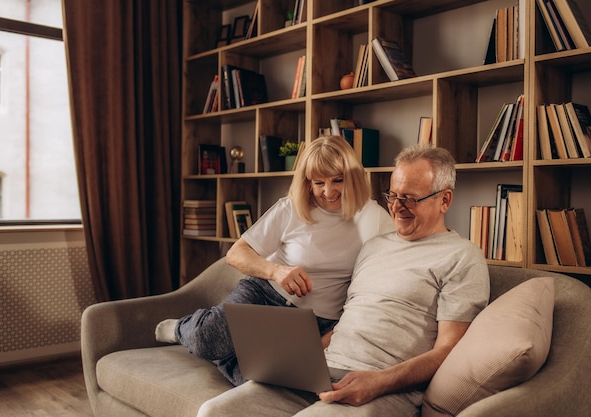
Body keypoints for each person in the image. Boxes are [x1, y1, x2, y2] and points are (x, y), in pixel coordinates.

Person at [196, 144, 490, 417]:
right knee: (215, 411)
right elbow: (348, 322)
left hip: (383, 385)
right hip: (323, 371)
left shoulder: (462, 258)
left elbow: (448, 350)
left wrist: (379, 382)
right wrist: (298, 361)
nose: (397, 207)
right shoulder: (373, 246)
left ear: (445, 199)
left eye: (410, 198)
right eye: (393, 196)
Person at [155, 135, 394, 386]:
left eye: (338, 180)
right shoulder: (290, 208)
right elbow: (236, 253)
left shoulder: (374, 217)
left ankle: (231, 354)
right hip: (264, 296)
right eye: (318, 182)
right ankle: (183, 328)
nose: (328, 191)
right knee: (206, 340)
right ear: (308, 182)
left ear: (353, 177)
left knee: (260, 380)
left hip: (318, 320)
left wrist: (339, 331)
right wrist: (276, 271)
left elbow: (399, 260)